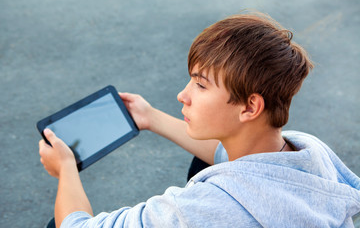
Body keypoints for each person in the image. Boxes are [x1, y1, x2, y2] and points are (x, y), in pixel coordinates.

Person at [39, 12, 360, 227]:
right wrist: (149, 117)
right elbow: (236, 160)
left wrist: (65, 168)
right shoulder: (310, 153)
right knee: (205, 158)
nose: (183, 95)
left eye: (200, 84)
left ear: (250, 107)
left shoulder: (205, 208)